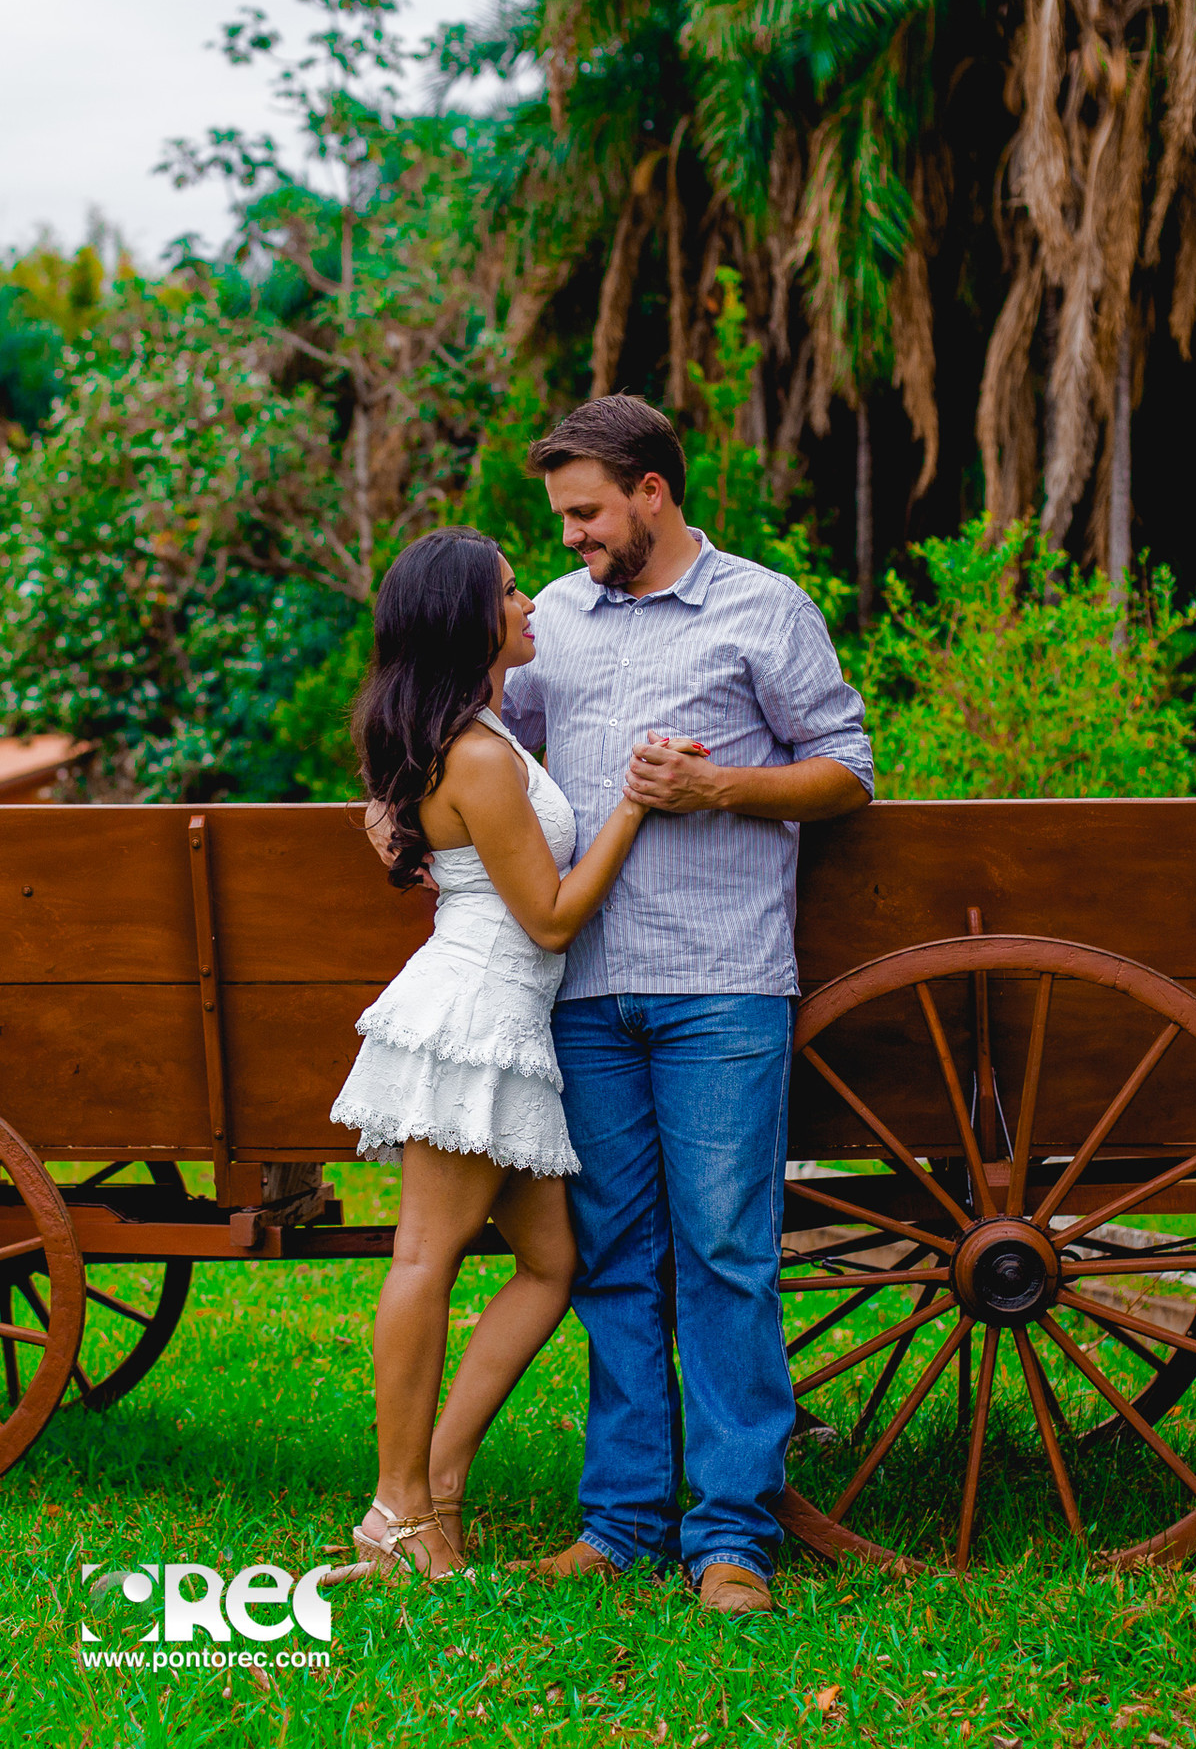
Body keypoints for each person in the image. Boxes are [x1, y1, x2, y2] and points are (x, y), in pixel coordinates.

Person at [502, 395, 874, 1614]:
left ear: (653, 494)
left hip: (722, 979)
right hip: (587, 988)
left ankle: (730, 1539)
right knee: (616, 1260)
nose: (570, 537)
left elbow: (847, 772)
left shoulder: (764, 606)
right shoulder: (554, 619)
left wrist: (721, 788)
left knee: (726, 1257)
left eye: (587, 512)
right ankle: (619, 1525)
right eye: (563, 516)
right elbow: (490, 751)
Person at [328, 527, 701, 1582]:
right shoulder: (482, 753)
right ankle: (395, 1512)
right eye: (506, 593)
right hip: (480, 1018)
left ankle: (434, 1493)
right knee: (424, 1258)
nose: (529, 601)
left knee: (553, 1262)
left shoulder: (473, 732)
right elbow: (548, 919)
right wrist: (634, 804)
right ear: (469, 620)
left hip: (499, 1018)